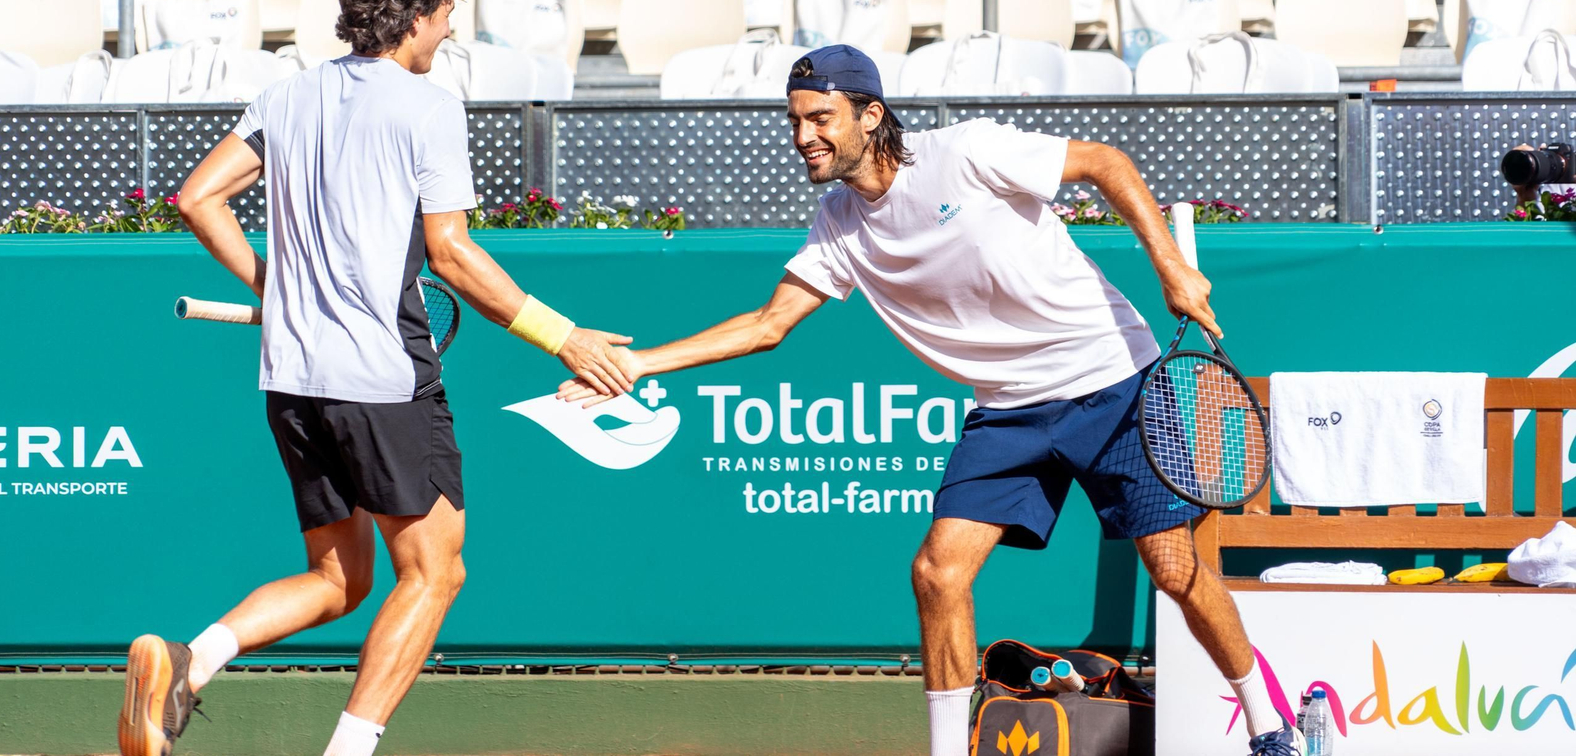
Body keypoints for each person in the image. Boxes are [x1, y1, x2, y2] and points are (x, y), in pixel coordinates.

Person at [558, 45, 1304, 756]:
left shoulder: (966, 151)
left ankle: (1272, 728)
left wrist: (1171, 268)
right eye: (794, 121)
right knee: (938, 572)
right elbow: (767, 324)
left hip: (1108, 379)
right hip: (1008, 410)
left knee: (1175, 572)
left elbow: (1104, 163)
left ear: (870, 116)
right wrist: (636, 365)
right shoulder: (838, 225)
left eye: (820, 118)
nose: (803, 136)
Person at [117, 0, 635, 756]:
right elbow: (454, 254)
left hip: (292, 383)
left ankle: (191, 661)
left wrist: (276, 286)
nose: (449, 33)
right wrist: (560, 336)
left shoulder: (284, 97)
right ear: (417, 16)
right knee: (435, 573)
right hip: (383, 383)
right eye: (446, 17)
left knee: (341, 581)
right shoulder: (428, 107)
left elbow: (196, 198)